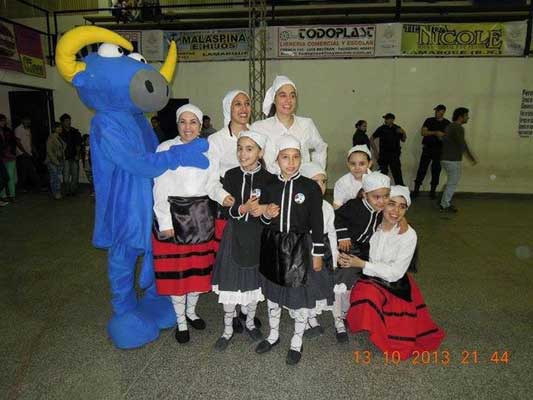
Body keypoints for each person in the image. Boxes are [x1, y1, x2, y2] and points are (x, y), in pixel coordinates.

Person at [342, 186, 445, 360]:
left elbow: (396, 273)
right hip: (368, 275)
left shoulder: (408, 235)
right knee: (361, 291)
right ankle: (357, 318)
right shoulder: (371, 224)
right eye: (391, 204)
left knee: (397, 338)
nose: (396, 210)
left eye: (402, 206)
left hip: (394, 283)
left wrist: (363, 264)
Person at [255, 135, 332, 365]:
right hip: (273, 245)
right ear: (277, 159)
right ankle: (274, 334)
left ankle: (297, 340)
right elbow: (263, 220)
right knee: (273, 295)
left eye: (296, 157)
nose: (291, 162)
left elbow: (317, 224)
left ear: (301, 158)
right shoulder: (269, 186)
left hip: (300, 246)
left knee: (299, 296)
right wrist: (266, 214)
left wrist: (317, 253)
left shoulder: (310, 187)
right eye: (285, 157)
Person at [152, 104, 217, 344]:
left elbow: (212, 184)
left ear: (201, 125)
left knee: (197, 273)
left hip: (201, 218)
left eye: (193, 122)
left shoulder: (210, 151)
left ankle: (191, 312)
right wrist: (165, 222)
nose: (188, 127)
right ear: (177, 124)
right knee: (178, 275)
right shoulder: (165, 148)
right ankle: (181, 320)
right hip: (174, 217)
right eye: (183, 122)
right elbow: (159, 189)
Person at [212, 131, 276, 351]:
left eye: (249, 149)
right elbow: (223, 208)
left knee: (252, 283)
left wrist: (266, 211)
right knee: (230, 283)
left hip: (257, 239)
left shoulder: (270, 180)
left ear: (261, 153)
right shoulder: (230, 175)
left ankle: (249, 322)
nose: (243, 153)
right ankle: (227, 328)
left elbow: (272, 216)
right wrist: (242, 208)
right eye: (240, 148)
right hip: (234, 236)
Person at [208, 89, 262, 330]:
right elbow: (210, 179)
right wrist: (225, 197)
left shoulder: (257, 135)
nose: (243, 108)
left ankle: (244, 308)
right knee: (232, 259)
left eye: (247, 103)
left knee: (251, 257)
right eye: (237, 104)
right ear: (228, 108)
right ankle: (234, 305)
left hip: (253, 212)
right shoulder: (216, 140)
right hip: (229, 208)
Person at [333, 171, 391, 342]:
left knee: (360, 282)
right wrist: (343, 236)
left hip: (366, 251)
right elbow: (336, 218)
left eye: (386, 196)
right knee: (342, 282)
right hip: (346, 247)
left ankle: (350, 312)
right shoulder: (354, 205)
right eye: (377, 197)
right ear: (365, 195)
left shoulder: (382, 210)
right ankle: (338, 319)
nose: (382, 201)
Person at [251, 75, 327, 173]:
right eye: (283, 95)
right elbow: (250, 156)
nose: (288, 100)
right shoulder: (259, 128)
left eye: (292, 95)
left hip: (300, 184)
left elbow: (321, 147)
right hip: (271, 185)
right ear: (274, 99)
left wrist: (315, 172)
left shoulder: (306, 124)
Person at [299, 162, 336, 338]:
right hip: (304, 252)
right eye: (314, 181)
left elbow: (332, 234)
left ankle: (312, 315)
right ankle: (303, 318)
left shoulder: (327, 207)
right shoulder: (300, 206)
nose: (320, 186)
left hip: (321, 251)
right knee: (305, 286)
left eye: (323, 181)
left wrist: (334, 258)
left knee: (318, 285)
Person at [440, 107, 477, 213]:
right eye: (466, 115)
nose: (468, 118)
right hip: (452, 159)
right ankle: (445, 204)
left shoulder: (450, 126)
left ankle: (443, 201)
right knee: (453, 182)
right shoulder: (458, 128)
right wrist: (471, 157)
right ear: (461, 117)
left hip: (446, 158)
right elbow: (462, 144)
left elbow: (444, 139)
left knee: (451, 181)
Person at [413, 105, 450, 199]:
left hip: (439, 150)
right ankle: (416, 191)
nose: (437, 113)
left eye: (439, 111)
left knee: (436, 171)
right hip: (428, 149)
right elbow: (423, 132)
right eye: (437, 111)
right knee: (422, 169)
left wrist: (442, 136)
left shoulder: (447, 123)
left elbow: (449, 138)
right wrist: (435, 132)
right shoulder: (429, 120)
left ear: (443, 112)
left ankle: (432, 192)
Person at [333, 145, 373, 209]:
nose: (357, 168)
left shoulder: (378, 181)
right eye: (353, 164)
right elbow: (337, 206)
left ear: (369, 164)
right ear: (348, 164)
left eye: (362, 164)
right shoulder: (342, 183)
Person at [372, 113, 406, 185]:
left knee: (397, 174)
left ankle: (401, 191)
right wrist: (375, 151)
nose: (385, 120)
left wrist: (403, 133)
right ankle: (381, 190)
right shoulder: (381, 128)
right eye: (385, 119)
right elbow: (371, 139)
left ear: (392, 120)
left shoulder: (397, 128)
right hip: (383, 155)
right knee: (382, 174)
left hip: (394, 155)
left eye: (387, 119)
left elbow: (403, 139)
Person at [14, 116, 40, 192]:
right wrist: (24, 152)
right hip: (22, 154)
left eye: (29, 120)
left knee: (26, 172)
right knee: (29, 171)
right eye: (27, 120)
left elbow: (30, 142)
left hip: (28, 153)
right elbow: (18, 142)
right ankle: (37, 186)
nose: (28, 122)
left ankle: (20, 188)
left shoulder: (28, 129)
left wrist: (34, 151)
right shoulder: (18, 129)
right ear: (22, 120)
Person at [60, 113, 82, 196]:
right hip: (64, 157)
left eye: (69, 120)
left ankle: (73, 191)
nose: (68, 122)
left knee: (75, 176)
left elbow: (78, 145)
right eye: (66, 121)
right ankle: (68, 190)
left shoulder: (74, 131)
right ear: (62, 122)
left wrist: (77, 154)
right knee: (65, 178)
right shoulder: (60, 132)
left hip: (74, 156)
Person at [45, 122, 66, 200]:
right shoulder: (51, 137)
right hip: (52, 161)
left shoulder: (58, 137)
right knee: (55, 178)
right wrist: (55, 161)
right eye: (58, 127)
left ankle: (58, 192)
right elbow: (49, 151)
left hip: (59, 161)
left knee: (58, 178)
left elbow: (62, 148)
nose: (60, 128)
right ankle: (56, 193)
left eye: (60, 127)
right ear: (54, 129)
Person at [0, 114, 17, 202]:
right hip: (1, 157)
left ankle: (12, 195)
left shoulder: (8, 131)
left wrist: (12, 152)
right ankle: (3, 195)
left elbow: (13, 142)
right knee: (2, 177)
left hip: (10, 156)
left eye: (4, 120)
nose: (3, 122)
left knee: (10, 177)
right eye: (1, 120)